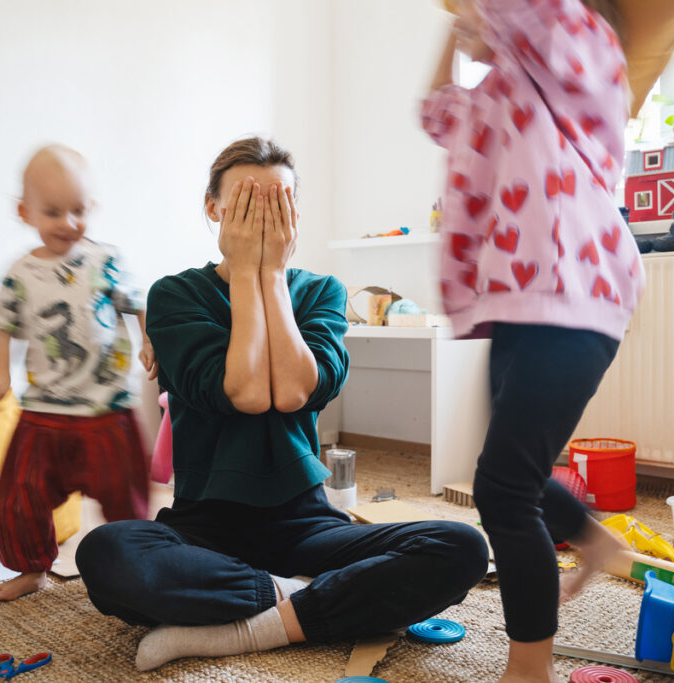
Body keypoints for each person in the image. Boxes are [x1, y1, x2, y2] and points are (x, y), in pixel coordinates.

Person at [75, 137, 489, 672]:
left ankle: (259, 622)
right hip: (204, 526)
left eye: (279, 203)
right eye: (249, 203)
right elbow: (245, 393)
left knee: (460, 546)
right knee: (107, 552)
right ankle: (302, 597)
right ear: (213, 209)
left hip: (307, 522)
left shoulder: (320, 292)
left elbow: (294, 391)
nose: (265, 218)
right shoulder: (176, 295)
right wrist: (247, 271)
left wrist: (270, 276)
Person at [422, 1, 643, 681]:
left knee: (500, 489)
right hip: (519, 304)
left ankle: (529, 667)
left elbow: (544, 16)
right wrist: (451, 30)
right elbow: (435, 112)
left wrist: (489, 17)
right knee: (511, 469)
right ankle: (594, 539)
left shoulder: (586, 65)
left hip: (579, 294)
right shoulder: (497, 92)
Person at [0, 145, 153, 601]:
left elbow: (138, 305)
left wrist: (150, 341)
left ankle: (141, 566)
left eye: (78, 210)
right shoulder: (20, 274)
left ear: (91, 207)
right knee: (20, 495)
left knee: (125, 497)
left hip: (106, 409)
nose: (68, 223)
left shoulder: (105, 261)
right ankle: (31, 569)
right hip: (43, 411)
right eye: (53, 212)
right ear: (25, 212)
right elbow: (5, 331)